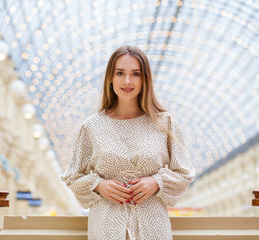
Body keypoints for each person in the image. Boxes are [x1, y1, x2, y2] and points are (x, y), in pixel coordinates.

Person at [61, 45, 195, 240]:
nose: (127, 81)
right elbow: (72, 176)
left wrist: (156, 182)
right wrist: (98, 185)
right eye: (120, 73)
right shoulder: (91, 126)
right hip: (105, 228)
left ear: (145, 79)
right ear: (110, 79)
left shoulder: (164, 123)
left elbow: (184, 172)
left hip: (153, 227)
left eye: (135, 74)